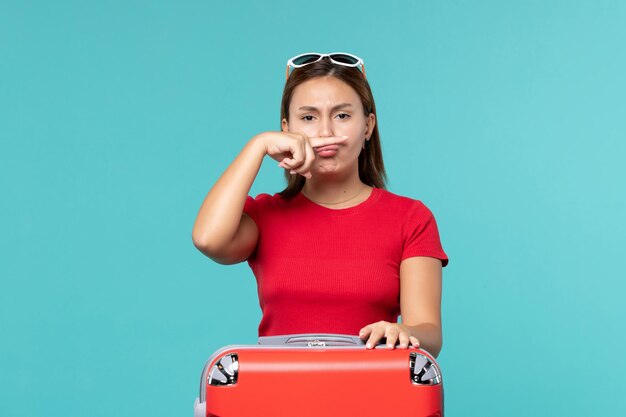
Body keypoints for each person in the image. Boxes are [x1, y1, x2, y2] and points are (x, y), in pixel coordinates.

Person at [192, 52, 449, 358]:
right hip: (278, 398)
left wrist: (406, 331)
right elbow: (208, 239)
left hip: (375, 397)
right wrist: (257, 146)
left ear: (367, 126)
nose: (326, 132)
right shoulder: (266, 216)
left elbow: (429, 332)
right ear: (286, 128)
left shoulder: (411, 219)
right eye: (309, 117)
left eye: (342, 115)